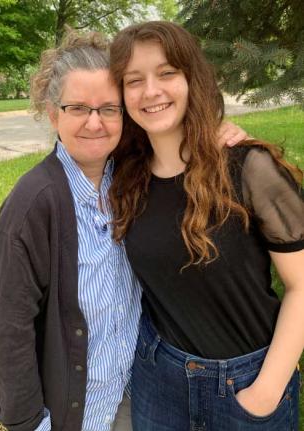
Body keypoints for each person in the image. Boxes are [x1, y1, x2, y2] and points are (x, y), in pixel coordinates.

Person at [0, 30, 247, 431]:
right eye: (78, 108)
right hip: (77, 411)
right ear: (54, 115)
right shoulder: (33, 205)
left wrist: (219, 131)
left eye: (109, 108)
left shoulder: (131, 175)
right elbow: (10, 332)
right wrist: (27, 423)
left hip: (135, 395)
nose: (95, 122)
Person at [109, 21, 304, 431]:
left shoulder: (247, 167)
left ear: (191, 79)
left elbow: (302, 284)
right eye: (134, 80)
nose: (151, 91)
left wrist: (266, 390)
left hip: (247, 383)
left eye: (166, 73)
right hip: (158, 377)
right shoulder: (125, 178)